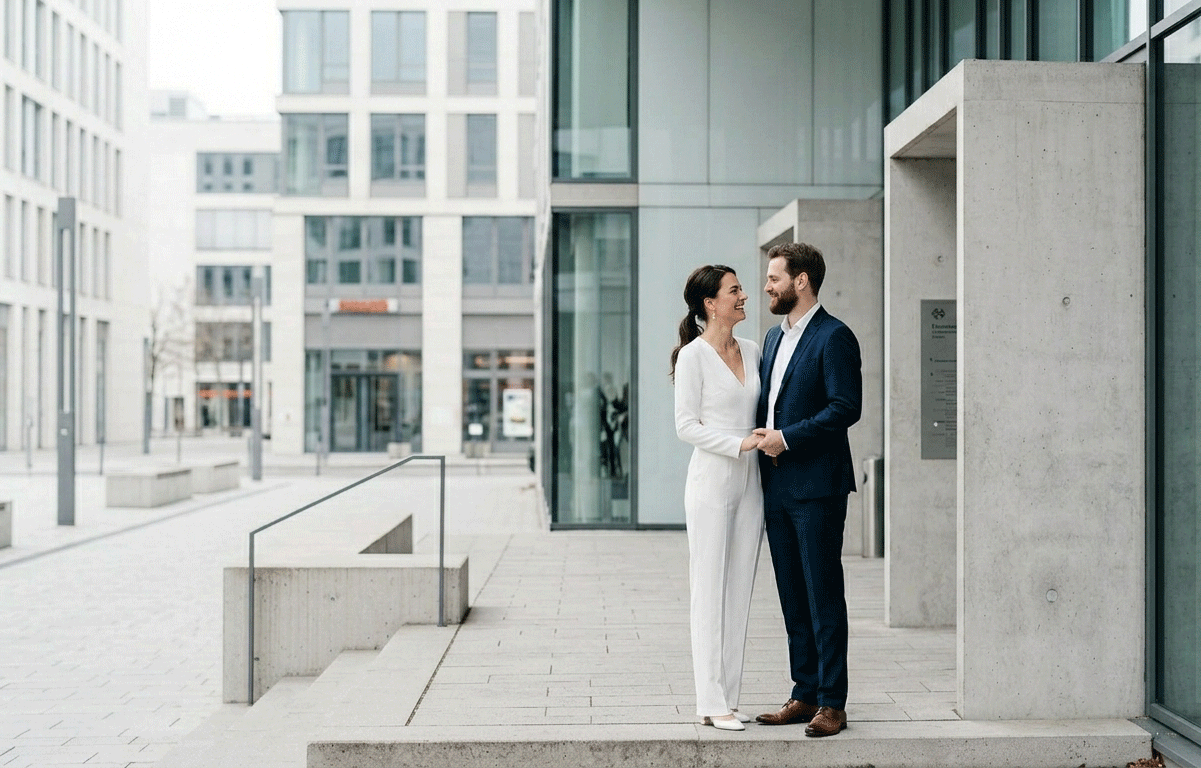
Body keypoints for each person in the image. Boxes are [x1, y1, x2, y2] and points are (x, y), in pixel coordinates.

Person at [753, 242, 862, 738]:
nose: (767, 286)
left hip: (817, 487)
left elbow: (845, 407)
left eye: (774, 277)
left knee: (823, 593)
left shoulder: (835, 336)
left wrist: (787, 438)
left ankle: (832, 703)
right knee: (792, 595)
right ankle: (804, 692)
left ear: (801, 281)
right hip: (775, 485)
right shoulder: (774, 340)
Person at [671, 265, 764, 732]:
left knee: (739, 588)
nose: (745, 295)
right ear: (711, 303)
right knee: (708, 589)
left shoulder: (752, 349)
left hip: (752, 483)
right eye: (735, 290)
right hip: (711, 480)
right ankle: (708, 699)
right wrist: (739, 443)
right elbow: (685, 425)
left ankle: (727, 695)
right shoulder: (693, 356)